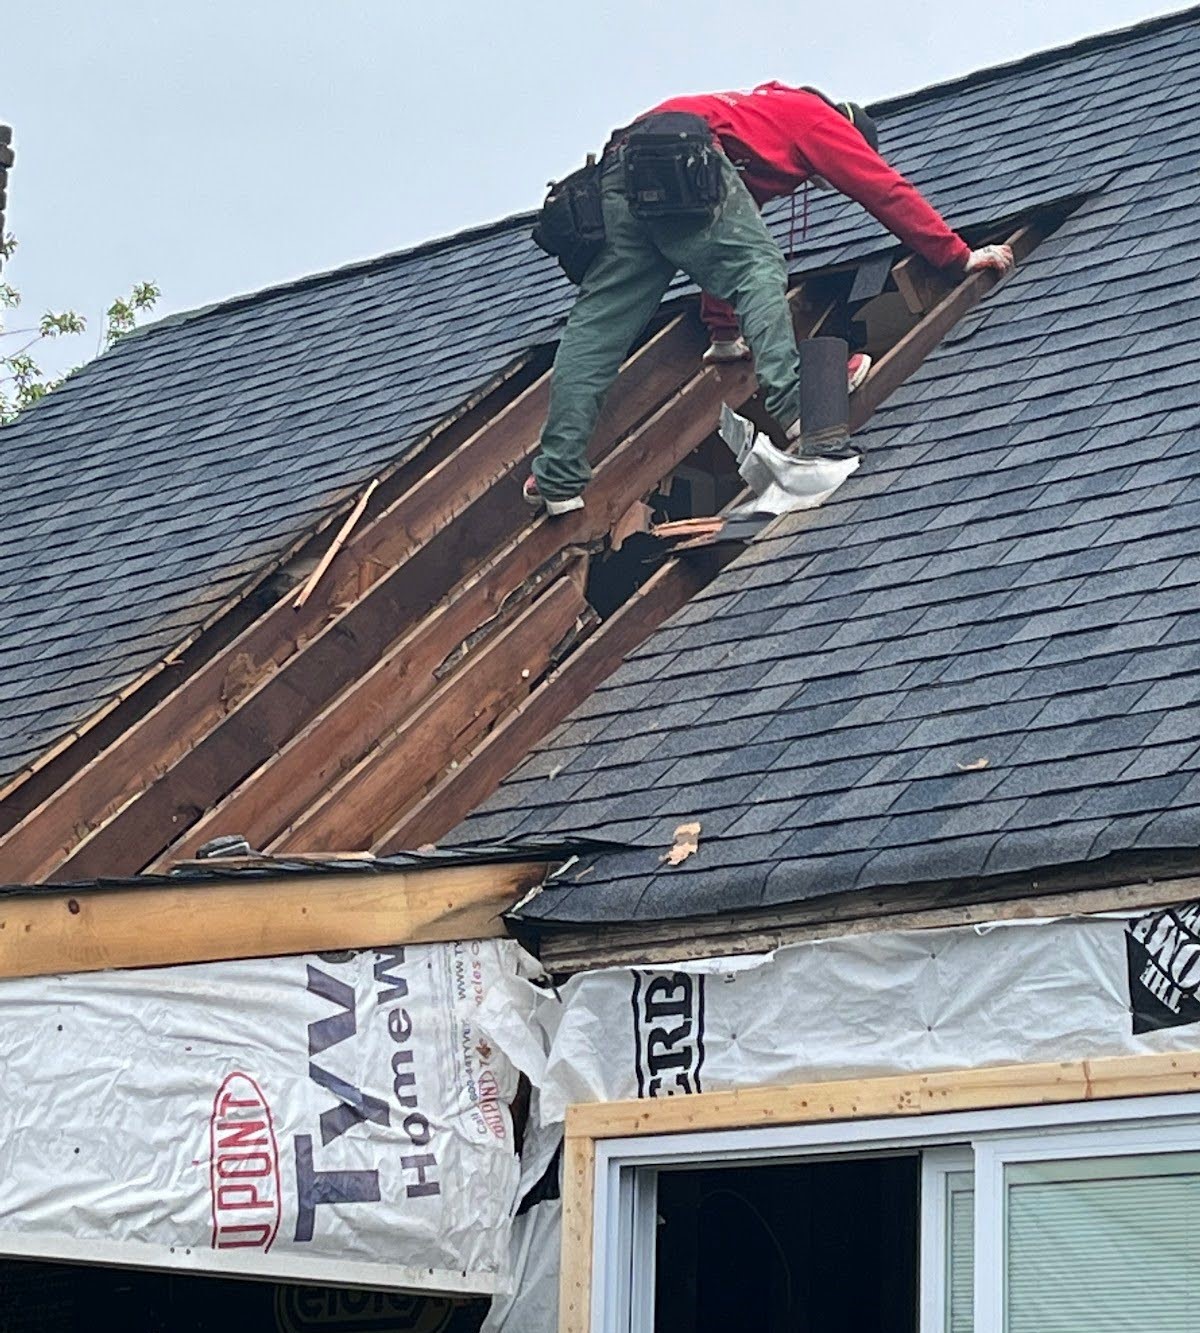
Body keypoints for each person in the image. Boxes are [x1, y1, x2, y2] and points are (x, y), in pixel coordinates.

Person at [523, 83, 1014, 515]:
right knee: (762, 266)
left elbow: (717, 240)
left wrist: (723, 334)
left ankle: (556, 474)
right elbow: (883, 190)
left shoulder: (758, 120)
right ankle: (794, 399)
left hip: (620, 171)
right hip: (680, 152)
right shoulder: (818, 119)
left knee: (596, 331)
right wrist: (956, 257)